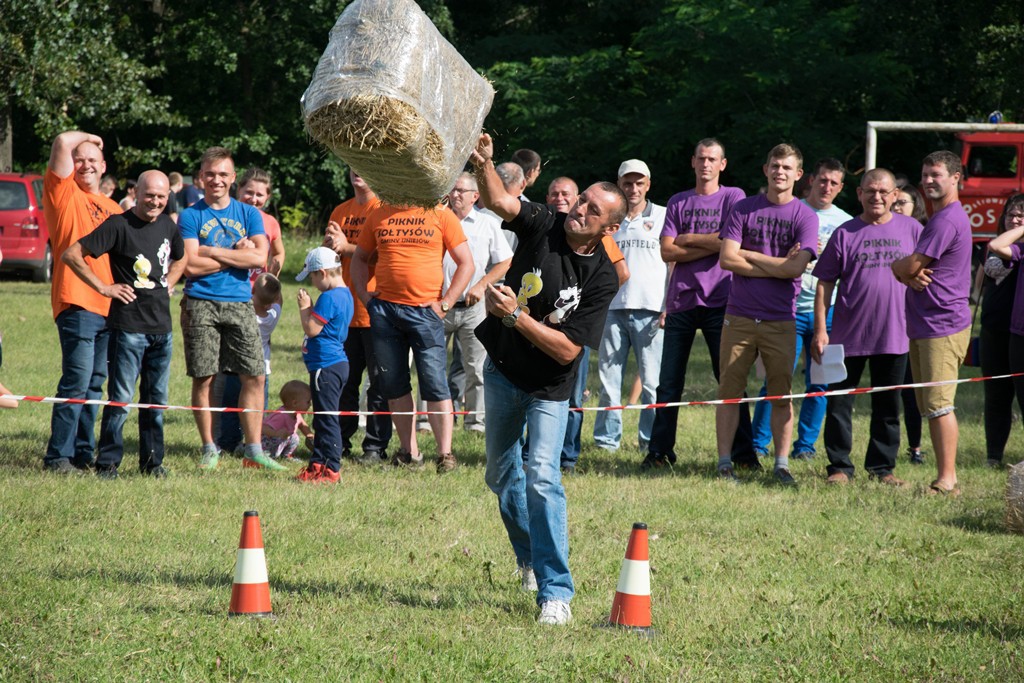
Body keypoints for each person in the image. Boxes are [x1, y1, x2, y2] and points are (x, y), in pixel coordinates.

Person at [470, 132, 624, 626]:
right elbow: (498, 199)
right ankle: (531, 557)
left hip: (551, 389)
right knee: (499, 474)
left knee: (542, 476)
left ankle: (556, 593)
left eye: (593, 210)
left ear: (610, 227)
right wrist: (484, 161)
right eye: (582, 201)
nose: (579, 210)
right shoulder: (546, 225)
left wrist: (516, 317)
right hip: (503, 371)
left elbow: (567, 349)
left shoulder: (604, 276)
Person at [62, 170, 186, 479]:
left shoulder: (169, 224)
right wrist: (104, 287)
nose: (155, 201)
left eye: (161, 196)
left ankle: (152, 463)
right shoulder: (119, 224)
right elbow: (72, 254)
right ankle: (108, 464)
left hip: (162, 330)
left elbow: (182, 258)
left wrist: (170, 282)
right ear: (137, 193)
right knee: (121, 400)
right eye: (149, 195)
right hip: (128, 327)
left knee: (156, 401)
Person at [645, 138, 758, 470]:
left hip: (722, 300)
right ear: (693, 162)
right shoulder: (679, 201)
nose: (706, 164)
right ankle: (659, 453)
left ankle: (744, 455)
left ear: (723, 164)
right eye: (701, 159)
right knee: (669, 382)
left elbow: (730, 244)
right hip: (681, 300)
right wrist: (715, 243)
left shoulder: (734, 197)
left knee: (729, 379)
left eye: (713, 159)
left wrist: (689, 238)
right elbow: (667, 251)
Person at [716, 143, 819, 485]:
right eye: (775, 165)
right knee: (730, 392)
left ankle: (781, 464)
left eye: (787, 168)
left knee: (781, 393)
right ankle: (724, 463)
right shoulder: (744, 209)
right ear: (766, 169)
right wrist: (779, 265)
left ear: (798, 175)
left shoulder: (805, 216)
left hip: (780, 319)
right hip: (739, 316)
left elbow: (796, 269)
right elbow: (727, 260)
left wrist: (751, 255)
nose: (780, 172)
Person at [810, 168, 921, 486]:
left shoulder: (912, 229)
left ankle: (883, 468)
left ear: (895, 195)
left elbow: (928, 274)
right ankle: (839, 468)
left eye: (884, 192)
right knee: (839, 403)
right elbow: (824, 284)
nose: (877, 197)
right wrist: (821, 329)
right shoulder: (845, 233)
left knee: (888, 405)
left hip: (896, 333)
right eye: (870, 191)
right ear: (859, 193)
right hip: (846, 336)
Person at [350, 197, 474, 474]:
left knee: (435, 383)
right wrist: (363, 295)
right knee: (393, 383)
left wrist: (446, 303)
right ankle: (410, 452)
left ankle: (445, 454)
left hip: (425, 313)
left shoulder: (441, 214)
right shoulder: (379, 213)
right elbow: (359, 258)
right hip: (385, 312)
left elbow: (467, 263)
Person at [750, 159, 853, 460]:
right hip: (788, 310)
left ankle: (805, 447)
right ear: (810, 179)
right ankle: (759, 443)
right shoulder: (793, 211)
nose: (827, 187)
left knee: (819, 383)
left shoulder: (845, 223)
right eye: (823, 180)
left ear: (842, 188)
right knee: (775, 381)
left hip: (827, 313)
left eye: (834, 183)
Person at [178, 146, 270, 471]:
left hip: (240, 303)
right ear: (201, 177)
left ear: (232, 178)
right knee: (204, 378)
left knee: (254, 376)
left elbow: (260, 258)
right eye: (210, 174)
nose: (216, 180)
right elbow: (190, 266)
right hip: (200, 303)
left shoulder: (249, 214)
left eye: (223, 174)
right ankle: (209, 448)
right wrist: (235, 253)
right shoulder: (190, 215)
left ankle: (254, 450)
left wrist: (213, 251)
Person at [892, 151, 973, 497]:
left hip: (943, 324)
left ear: (955, 177)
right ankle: (945, 476)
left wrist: (902, 270)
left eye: (936, 174)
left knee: (940, 405)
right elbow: (911, 271)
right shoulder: (939, 219)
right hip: (925, 323)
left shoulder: (946, 220)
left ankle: (947, 479)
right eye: (924, 174)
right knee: (931, 406)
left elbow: (908, 267)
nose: (927, 180)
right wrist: (907, 272)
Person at [42, 131, 123, 474]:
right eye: (80, 159)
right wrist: (91, 137)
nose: (86, 164)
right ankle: (57, 458)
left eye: (93, 159)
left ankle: (81, 453)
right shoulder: (63, 194)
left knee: (93, 383)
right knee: (76, 381)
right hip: (77, 302)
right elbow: (61, 141)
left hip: (109, 308)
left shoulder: (113, 208)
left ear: (104, 167)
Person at [593, 159, 666, 452]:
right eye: (627, 182)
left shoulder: (662, 215)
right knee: (609, 381)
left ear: (648, 185)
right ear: (619, 183)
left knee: (652, 383)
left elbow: (672, 262)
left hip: (651, 309)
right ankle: (607, 442)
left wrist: (668, 304)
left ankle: (650, 442)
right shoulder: (608, 217)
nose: (633, 188)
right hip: (611, 309)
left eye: (639, 183)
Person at [323, 170, 392, 464]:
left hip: (376, 309)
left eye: (364, 166)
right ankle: (339, 442)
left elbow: (388, 256)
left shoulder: (385, 209)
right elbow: (330, 258)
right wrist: (329, 250)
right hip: (343, 312)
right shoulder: (340, 211)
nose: (357, 172)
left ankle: (375, 448)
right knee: (344, 383)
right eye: (352, 166)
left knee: (379, 384)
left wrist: (347, 247)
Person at [440, 172, 513, 432]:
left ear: (475, 196)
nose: (456, 194)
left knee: (477, 368)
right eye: (453, 189)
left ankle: (475, 422)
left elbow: (506, 260)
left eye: (462, 190)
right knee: (433, 366)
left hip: (473, 307)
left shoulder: (487, 224)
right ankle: (428, 420)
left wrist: (482, 285)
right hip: (439, 304)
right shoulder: (437, 218)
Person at [295, 247, 354, 483]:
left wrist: (304, 307)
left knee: (327, 419)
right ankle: (317, 465)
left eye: (312, 276)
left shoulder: (329, 297)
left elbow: (312, 328)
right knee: (323, 417)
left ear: (322, 273)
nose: (312, 281)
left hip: (326, 366)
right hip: (334, 364)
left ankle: (331, 469)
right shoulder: (345, 294)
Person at [215, 272, 283, 454]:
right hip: (261, 370)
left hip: (236, 366)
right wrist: (276, 277)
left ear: (252, 290)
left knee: (230, 406)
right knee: (258, 408)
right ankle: (256, 442)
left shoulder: (241, 312)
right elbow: (279, 303)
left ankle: (229, 442)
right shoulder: (271, 317)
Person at [983, 194, 1024, 467]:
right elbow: (988, 269)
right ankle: (993, 456)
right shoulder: (1001, 247)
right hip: (996, 329)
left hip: (1019, 332)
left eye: (1021, 215)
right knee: (996, 396)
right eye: (1011, 213)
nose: (1015, 218)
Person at [892, 180, 927, 464]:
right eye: (895, 202)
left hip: (911, 320)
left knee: (913, 389)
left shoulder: (924, 237)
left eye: (903, 202)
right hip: (885, 320)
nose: (897, 206)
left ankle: (915, 447)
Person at [238, 167, 285, 278]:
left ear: (267, 196)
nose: (254, 199)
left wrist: (272, 276)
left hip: (259, 292)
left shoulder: (271, 222)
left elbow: (278, 253)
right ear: (239, 189)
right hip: (231, 290)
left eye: (259, 195)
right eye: (249, 192)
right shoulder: (226, 217)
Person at [262, 380, 315, 460]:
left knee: (293, 437)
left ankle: (286, 456)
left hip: (279, 441)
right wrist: (275, 433)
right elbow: (263, 428)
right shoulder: (281, 415)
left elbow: (303, 426)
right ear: (295, 403)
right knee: (292, 437)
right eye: (308, 402)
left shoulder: (296, 414)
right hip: (265, 444)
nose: (310, 404)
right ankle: (268, 455)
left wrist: (310, 436)